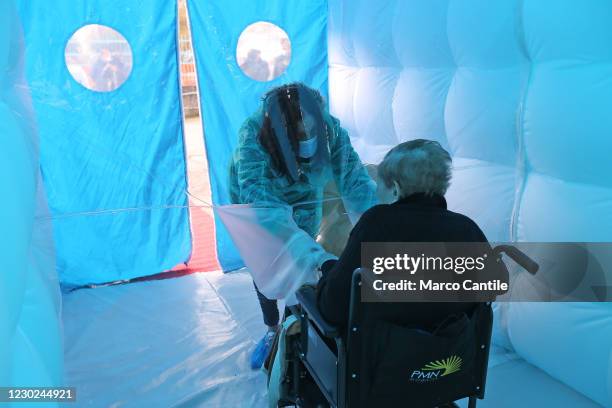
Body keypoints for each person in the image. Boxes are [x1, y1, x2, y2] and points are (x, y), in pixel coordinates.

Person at [228, 83, 377, 369]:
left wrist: (376, 221)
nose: (309, 138)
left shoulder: (328, 126)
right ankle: (272, 330)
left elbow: (355, 177)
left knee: (303, 266)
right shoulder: (252, 136)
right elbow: (262, 204)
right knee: (266, 266)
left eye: (313, 131)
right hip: (261, 203)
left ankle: (291, 327)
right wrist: (309, 252)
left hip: (306, 193)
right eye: (301, 134)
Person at [316, 139, 505, 328]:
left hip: (384, 355)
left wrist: (328, 266)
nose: (376, 193)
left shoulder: (376, 223)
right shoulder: (468, 229)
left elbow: (332, 309)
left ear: (396, 189)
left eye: (378, 185)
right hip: (452, 354)